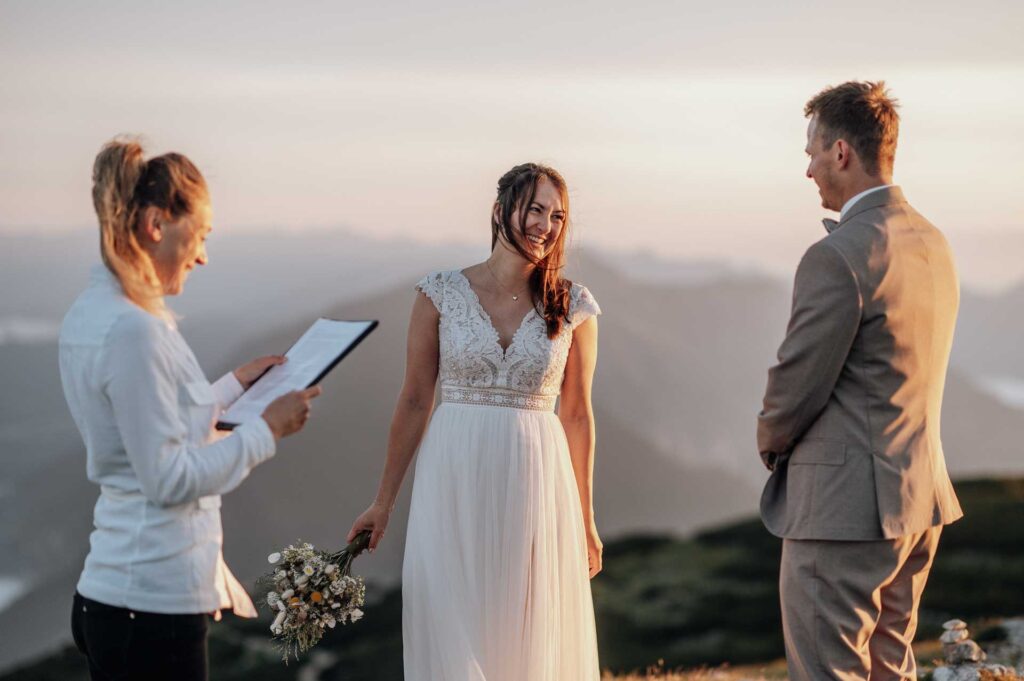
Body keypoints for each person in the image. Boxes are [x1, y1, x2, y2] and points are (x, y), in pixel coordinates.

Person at [60, 137, 322, 681]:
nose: (202, 255)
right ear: (157, 224)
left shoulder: (97, 312)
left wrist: (231, 387)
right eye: (200, 234)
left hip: (123, 598)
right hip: (149, 606)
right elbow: (169, 478)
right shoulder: (134, 330)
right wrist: (266, 430)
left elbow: (149, 422)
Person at [348, 163, 602, 680]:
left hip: (536, 482)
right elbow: (415, 399)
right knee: (453, 616)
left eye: (557, 216)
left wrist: (585, 518)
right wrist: (383, 502)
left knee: (525, 626)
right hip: (453, 476)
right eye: (535, 209)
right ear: (500, 209)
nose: (546, 226)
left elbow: (577, 414)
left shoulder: (573, 304)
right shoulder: (440, 293)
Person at [757, 82, 963, 680]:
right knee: (889, 667)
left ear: (841, 152)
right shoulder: (933, 242)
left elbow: (797, 382)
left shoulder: (839, 255)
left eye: (812, 152)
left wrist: (770, 440)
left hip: (842, 512)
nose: (808, 169)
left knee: (829, 670)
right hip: (917, 500)